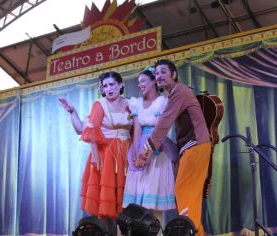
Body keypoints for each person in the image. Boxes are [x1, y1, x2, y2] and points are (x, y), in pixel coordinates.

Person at [136, 59, 212, 236]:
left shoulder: (179, 92)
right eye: (156, 73)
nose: (159, 76)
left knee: (185, 191)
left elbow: (164, 123)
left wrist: (145, 151)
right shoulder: (175, 94)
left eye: (163, 72)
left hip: (196, 145)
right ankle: (195, 232)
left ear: (174, 75)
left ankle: (191, 232)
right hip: (191, 147)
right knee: (186, 193)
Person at [59, 71, 133, 235]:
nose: (108, 88)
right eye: (105, 86)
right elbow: (86, 130)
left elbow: (136, 129)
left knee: (124, 198)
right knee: (106, 198)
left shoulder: (130, 104)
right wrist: (95, 157)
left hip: (126, 155)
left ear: (120, 85)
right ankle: (108, 232)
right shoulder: (100, 104)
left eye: (112, 84)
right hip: (106, 156)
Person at [123, 68, 178, 227]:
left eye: (143, 81)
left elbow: (160, 129)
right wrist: (135, 153)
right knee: (138, 202)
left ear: (154, 81)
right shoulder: (136, 103)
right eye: (138, 82)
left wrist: (146, 154)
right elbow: (137, 129)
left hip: (156, 150)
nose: (140, 85)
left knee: (153, 202)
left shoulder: (162, 102)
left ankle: (157, 231)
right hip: (140, 148)